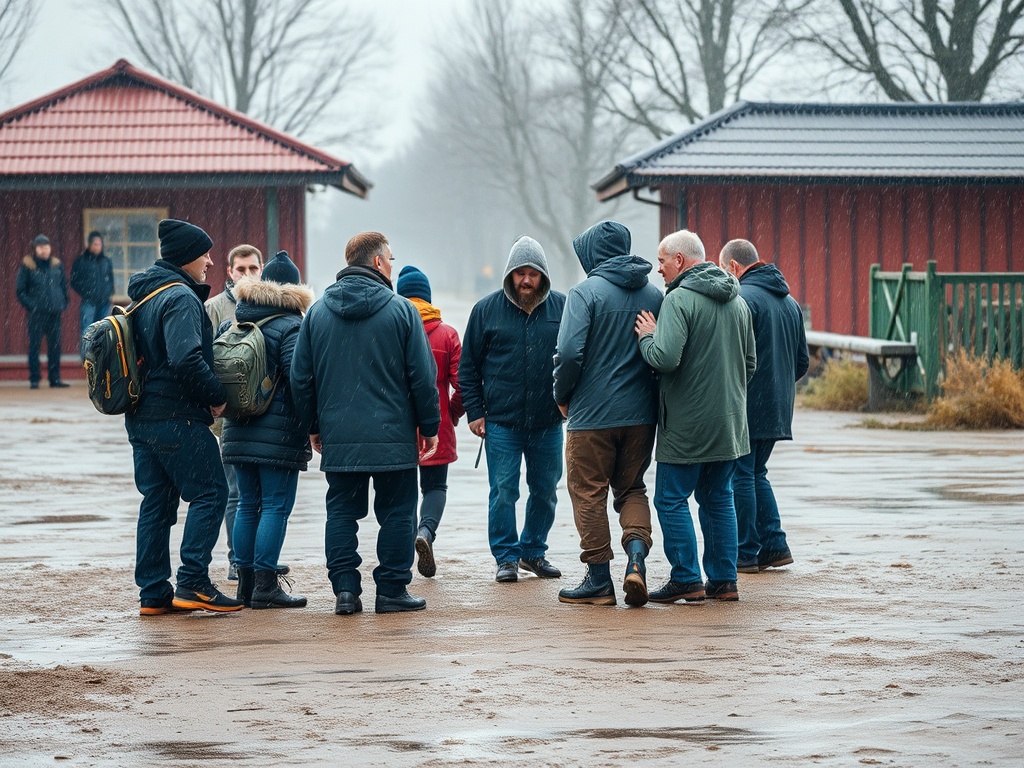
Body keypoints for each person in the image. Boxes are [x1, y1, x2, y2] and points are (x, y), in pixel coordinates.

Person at [291, 232, 440, 615]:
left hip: (340, 436)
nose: (391, 265)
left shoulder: (318, 314)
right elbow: (423, 378)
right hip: (393, 435)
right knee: (398, 512)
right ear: (377, 262)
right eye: (390, 259)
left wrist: (312, 425)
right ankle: (391, 590)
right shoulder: (402, 311)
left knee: (342, 512)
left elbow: (300, 378)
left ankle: (345, 591)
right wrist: (429, 426)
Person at [126, 218, 242, 615]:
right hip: (177, 416)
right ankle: (193, 582)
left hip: (141, 417)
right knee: (212, 492)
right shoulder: (180, 297)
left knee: (157, 503)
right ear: (187, 257)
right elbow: (185, 358)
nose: (210, 262)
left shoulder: (144, 296)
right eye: (204, 254)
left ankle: (153, 593)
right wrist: (217, 397)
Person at [634, 229, 755, 603]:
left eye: (662, 261)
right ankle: (724, 581)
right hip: (730, 423)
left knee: (670, 500)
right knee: (718, 498)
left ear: (679, 260)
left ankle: (686, 578)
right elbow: (750, 363)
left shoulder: (678, 299)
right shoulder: (738, 301)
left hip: (686, 424)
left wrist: (647, 336)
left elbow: (665, 358)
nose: (658, 270)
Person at [553, 221, 663, 607]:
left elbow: (569, 353)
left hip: (592, 416)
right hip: (641, 415)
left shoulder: (584, 293)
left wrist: (561, 395)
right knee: (631, 488)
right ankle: (636, 560)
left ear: (592, 254)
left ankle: (599, 579)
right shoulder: (654, 294)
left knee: (588, 491)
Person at [459, 236, 566, 584]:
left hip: (549, 421)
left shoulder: (563, 308)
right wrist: (475, 412)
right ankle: (505, 557)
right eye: (520, 273)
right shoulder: (485, 310)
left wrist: (571, 402)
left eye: (532, 274)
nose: (526, 280)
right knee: (503, 491)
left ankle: (533, 551)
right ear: (509, 274)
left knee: (546, 490)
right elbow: (467, 367)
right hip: (501, 423)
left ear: (543, 275)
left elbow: (576, 360)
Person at [221, 267, 314, 609]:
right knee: (275, 505)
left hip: (236, 429)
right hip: (278, 434)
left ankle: (244, 587)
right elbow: (297, 379)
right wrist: (312, 423)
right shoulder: (291, 325)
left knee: (247, 503)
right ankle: (265, 586)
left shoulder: (237, 320)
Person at [719, 239, 809, 572]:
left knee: (742, 475)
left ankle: (746, 551)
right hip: (778, 406)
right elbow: (802, 361)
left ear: (733, 266)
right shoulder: (791, 303)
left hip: (747, 402)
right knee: (757, 472)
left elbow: (732, 357)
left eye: (723, 269)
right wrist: (778, 386)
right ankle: (774, 545)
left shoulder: (742, 299)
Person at [395, 265, 465, 578]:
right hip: (437, 425)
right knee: (435, 487)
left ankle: (402, 556)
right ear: (428, 297)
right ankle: (426, 531)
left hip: (397, 426)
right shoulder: (447, 334)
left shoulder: (392, 330)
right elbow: (463, 384)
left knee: (403, 492)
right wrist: (453, 412)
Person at [204, 244, 263, 582]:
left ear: (261, 269)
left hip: (263, 414)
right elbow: (202, 359)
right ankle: (237, 559)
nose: (247, 275)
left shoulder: (270, 304)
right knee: (236, 490)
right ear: (229, 272)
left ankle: (261, 558)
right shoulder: (213, 309)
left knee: (263, 494)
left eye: (253, 268)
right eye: (241, 269)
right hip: (226, 419)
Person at [15, 234, 69, 389]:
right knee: (35, 347)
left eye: (46, 247)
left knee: (55, 347)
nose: (44, 250)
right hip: (36, 315)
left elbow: (63, 286)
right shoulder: (27, 266)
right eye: (40, 247)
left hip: (54, 313)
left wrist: (63, 302)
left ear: (50, 248)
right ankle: (34, 378)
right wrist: (32, 306)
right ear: (35, 249)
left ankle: (55, 379)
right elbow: (20, 291)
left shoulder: (56, 265)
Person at [70, 231, 115, 360]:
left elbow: (110, 279)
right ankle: (87, 358)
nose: (98, 246)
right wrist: (86, 292)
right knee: (87, 330)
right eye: (95, 244)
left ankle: (101, 358)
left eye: (100, 244)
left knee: (103, 330)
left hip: (104, 301)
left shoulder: (106, 261)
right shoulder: (81, 261)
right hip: (89, 301)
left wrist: (109, 292)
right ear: (89, 245)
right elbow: (74, 281)